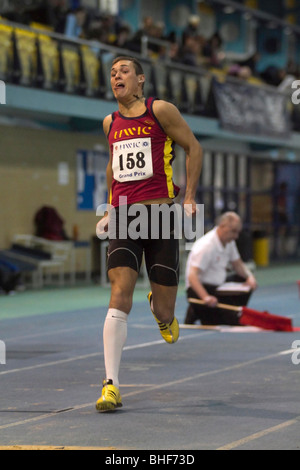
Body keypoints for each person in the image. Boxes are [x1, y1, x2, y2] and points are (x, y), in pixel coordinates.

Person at [95, 55, 203, 412]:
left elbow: (194, 147)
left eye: (123, 71)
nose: (116, 77)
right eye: (112, 73)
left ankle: (162, 314)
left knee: (165, 310)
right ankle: (111, 385)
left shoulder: (161, 111)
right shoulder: (109, 122)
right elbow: (113, 166)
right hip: (126, 215)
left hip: (160, 216)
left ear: (140, 80)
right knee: (119, 291)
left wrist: (188, 197)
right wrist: (110, 207)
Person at [185, 212, 257, 326]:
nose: (236, 236)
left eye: (238, 232)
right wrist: (205, 297)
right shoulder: (206, 246)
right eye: (233, 231)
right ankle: (196, 310)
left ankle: (231, 311)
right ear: (222, 226)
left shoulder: (229, 242)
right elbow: (192, 276)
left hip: (219, 287)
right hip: (201, 290)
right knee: (228, 322)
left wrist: (250, 277)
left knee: (243, 280)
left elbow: (237, 264)